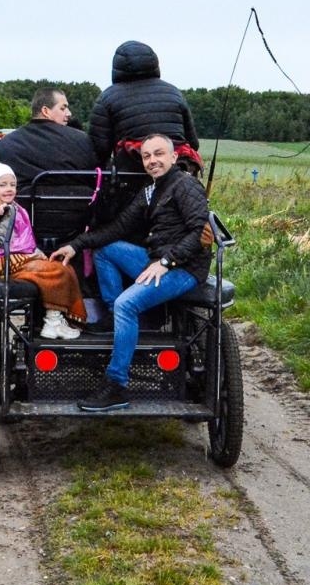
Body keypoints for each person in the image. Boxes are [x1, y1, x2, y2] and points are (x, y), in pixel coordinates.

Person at [49, 135, 211, 411]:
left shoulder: (186, 185)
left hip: (184, 268)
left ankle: (116, 385)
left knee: (128, 303)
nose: (152, 161)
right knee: (105, 249)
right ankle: (116, 319)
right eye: (147, 156)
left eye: (159, 154)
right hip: (157, 260)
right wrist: (75, 245)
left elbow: (199, 233)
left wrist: (167, 262)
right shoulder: (151, 190)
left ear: (174, 157)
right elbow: (118, 228)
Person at [0, 163, 86, 340]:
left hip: (18, 257)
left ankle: (54, 319)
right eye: (2, 185)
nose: (9, 189)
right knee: (56, 271)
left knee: (63, 267)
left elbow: (25, 240)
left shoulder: (16, 208)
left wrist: (36, 252)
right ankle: (52, 322)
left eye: (12, 184)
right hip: (1, 260)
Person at [87, 41, 201, 176]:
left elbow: (99, 150)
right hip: (176, 172)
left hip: (130, 177)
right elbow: (193, 143)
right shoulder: (174, 93)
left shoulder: (107, 98)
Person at [0, 87, 98, 195]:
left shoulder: (6, 143)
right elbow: (97, 180)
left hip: (23, 213)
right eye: (63, 108)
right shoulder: (82, 140)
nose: (69, 113)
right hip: (77, 212)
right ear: (45, 111)